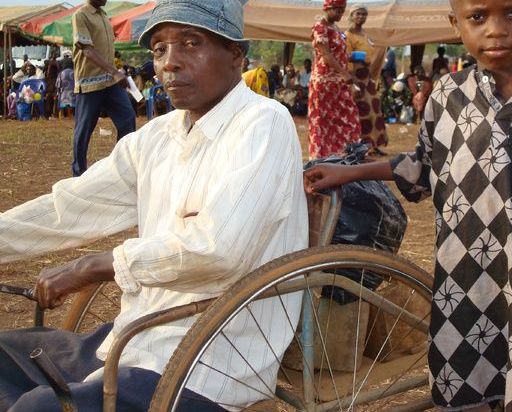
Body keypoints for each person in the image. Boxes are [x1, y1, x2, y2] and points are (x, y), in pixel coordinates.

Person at [304, 0, 512, 410]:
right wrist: (350, 172)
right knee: (474, 385)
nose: (496, 30)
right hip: (469, 290)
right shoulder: (446, 97)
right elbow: (425, 167)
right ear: (456, 24)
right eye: (478, 17)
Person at [0, 0, 308, 410]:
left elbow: (217, 249)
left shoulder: (263, 122)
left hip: (210, 363)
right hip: (135, 337)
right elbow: (70, 206)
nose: (170, 63)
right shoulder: (159, 136)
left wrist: (91, 265)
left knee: (36, 408)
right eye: (159, 49)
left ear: (236, 54)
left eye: (191, 43)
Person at [70, 0, 136, 176]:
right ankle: (78, 172)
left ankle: (121, 169)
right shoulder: (81, 15)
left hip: (110, 81)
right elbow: (88, 51)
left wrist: (117, 71)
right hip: (90, 82)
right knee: (84, 129)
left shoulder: (104, 16)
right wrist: (114, 72)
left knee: (128, 119)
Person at [307, 0, 361, 159]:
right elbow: (326, 54)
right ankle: (321, 158)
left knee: (346, 118)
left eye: (342, 10)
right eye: (337, 10)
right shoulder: (320, 27)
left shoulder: (336, 28)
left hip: (338, 82)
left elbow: (337, 53)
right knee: (323, 122)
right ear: (327, 8)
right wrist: (344, 73)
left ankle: (342, 155)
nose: (340, 14)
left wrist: (351, 58)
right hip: (324, 83)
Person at [345, 4, 388, 155]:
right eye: (358, 14)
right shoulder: (348, 35)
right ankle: (362, 146)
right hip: (356, 77)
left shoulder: (365, 34)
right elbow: (346, 57)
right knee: (361, 111)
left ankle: (374, 144)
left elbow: (370, 55)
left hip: (367, 76)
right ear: (352, 16)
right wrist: (353, 82)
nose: (361, 17)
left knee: (375, 109)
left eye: (364, 14)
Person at [45, 52, 60, 119]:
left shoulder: (54, 63)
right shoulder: (52, 62)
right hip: (51, 82)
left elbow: (57, 69)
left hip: (53, 81)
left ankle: (52, 114)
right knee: (49, 97)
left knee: (52, 98)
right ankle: (48, 114)